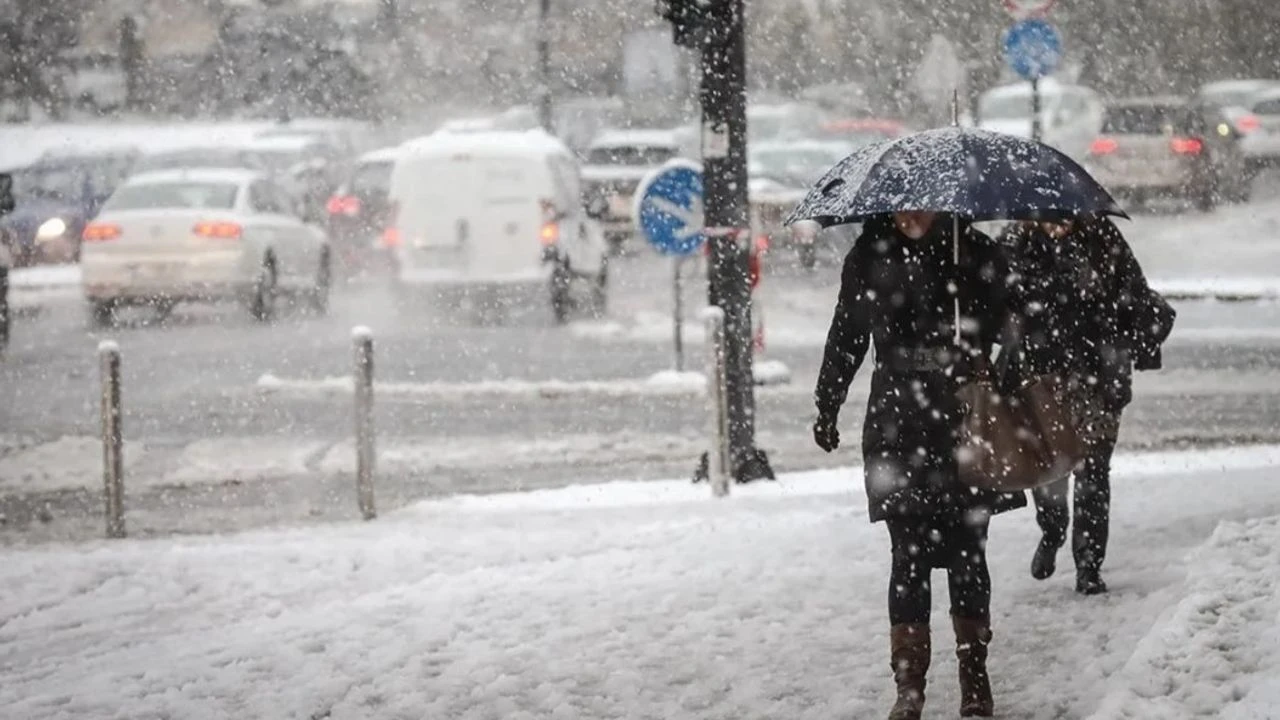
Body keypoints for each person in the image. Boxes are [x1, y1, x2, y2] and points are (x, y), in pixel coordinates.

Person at [813, 211, 1024, 720]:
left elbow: (1015, 324)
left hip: (963, 415)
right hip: (898, 420)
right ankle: (909, 684)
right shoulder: (869, 256)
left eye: (923, 203)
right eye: (902, 204)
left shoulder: (971, 250)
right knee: (908, 553)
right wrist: (828, 401)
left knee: (969, 550)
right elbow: (848, 332)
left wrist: (976, 335)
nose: (913, 213)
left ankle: (975, 672)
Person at [999, 216, 1174, 595]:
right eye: (1048, 216)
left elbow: (1134, 294)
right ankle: (1052, 530)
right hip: (1041, 378)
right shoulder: (1015, 243)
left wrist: (1124, 324)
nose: (1058, 224)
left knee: (1093, 474)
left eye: (1065, 216)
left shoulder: (1102, 238)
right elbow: (996, 306)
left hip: (1096, 377)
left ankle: (1089, 565)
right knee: (1049, 472)